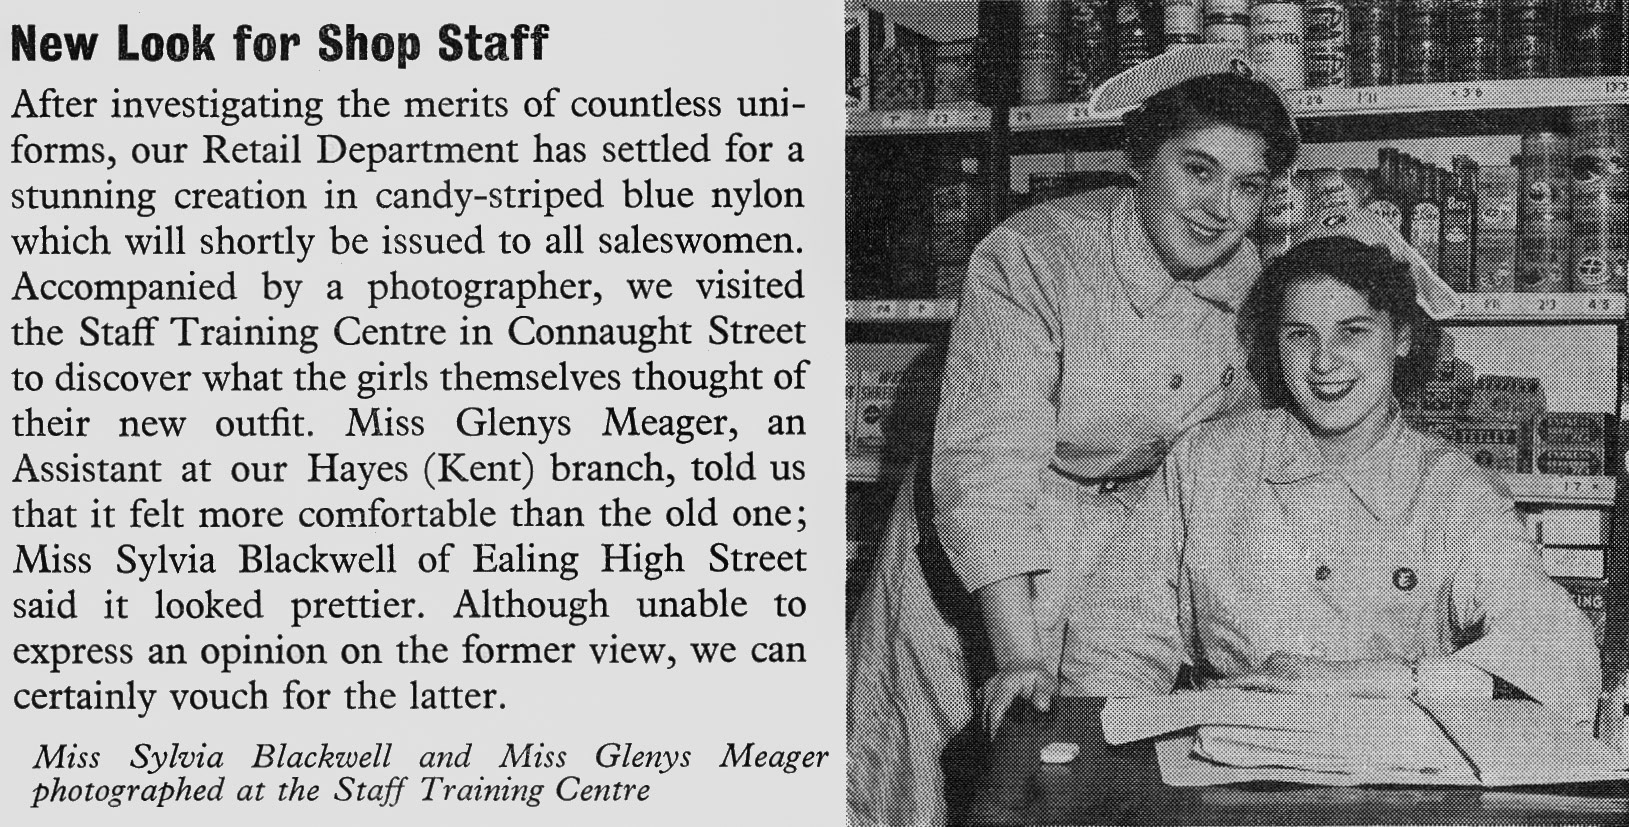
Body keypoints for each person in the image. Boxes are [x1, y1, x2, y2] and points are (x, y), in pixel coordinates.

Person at [932, 47, 1300, 733]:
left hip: (1120, 567)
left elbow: (1237, 449)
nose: (1220, 209)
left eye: (1248, 186)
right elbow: (986, 468)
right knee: (962, 780)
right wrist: (1016, 652)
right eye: (1198, 170)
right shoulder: (1034, 254)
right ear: (1138, 159)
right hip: (990, 573)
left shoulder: (1247, 274)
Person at [1164, 214, 1602, 729]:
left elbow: (1564, 657)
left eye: (1352, 332)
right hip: (1234, 776)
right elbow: (1132, 637)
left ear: (1400, 338)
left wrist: (1402, 680)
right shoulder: (1207, 461)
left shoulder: (1454, 489)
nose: (1324, 361)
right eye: (1299, 335)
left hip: (1397, 775)